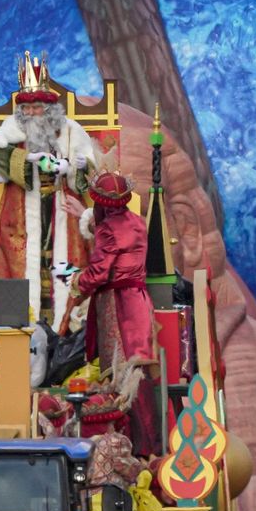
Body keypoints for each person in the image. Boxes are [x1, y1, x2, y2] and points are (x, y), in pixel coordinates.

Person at [0, 51, 99, 325]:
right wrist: (25, 159)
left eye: (37, 107)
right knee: (14, 261)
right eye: (27, 108)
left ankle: (67, 326)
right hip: (21, 206)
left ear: (50, 108)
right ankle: (14, 328)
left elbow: (90, 169)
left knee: (67, 260)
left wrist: (71, 168)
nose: (32, 113)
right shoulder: (12, 127)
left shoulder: (70, 130)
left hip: (61, 205)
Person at [67, 170, 158, 451]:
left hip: (117, 306)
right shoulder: (138, 223)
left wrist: (76, 284)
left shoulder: (107, 230)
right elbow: (120, 240)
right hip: (140, 301)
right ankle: (150, 443)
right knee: (138, 371)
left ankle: (132, 445)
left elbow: (98, 272)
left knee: (121, 375)